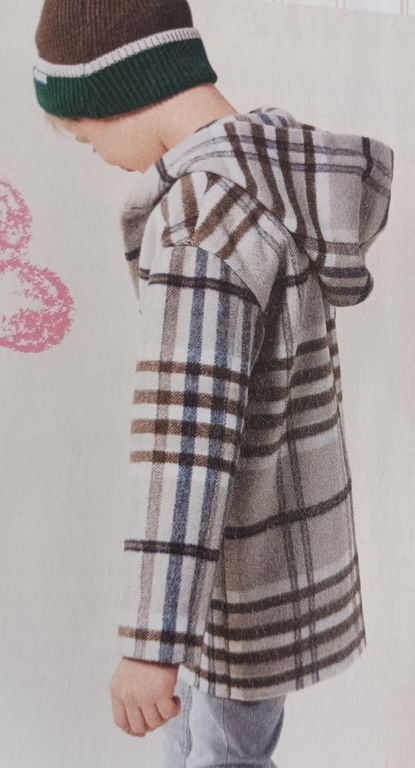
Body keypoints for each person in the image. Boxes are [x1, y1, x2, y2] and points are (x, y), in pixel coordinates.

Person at [32, 1, 394, 766]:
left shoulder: (199, 226)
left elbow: (185, 447)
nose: (93, 151)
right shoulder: (270, 183)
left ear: (119, 88)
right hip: (272, 562)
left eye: (86, 133)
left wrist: (151, 644)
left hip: (221, 582)